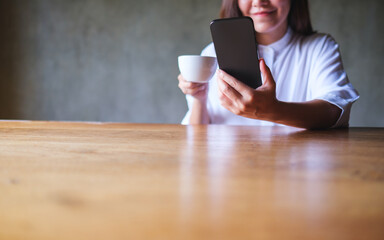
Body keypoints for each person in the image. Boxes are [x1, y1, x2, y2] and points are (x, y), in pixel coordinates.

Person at [178, 0, 359, 129]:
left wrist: (273, 110)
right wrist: (198, 99)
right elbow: (195, 135)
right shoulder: (212, 53)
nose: (259, 1)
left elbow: (335, 110)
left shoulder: (319, 47)